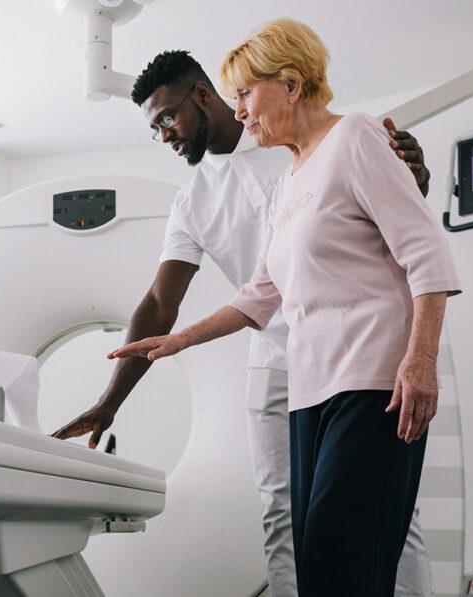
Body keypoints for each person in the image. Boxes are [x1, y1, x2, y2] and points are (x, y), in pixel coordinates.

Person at [52, 48, 435, 596]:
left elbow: (400, 222)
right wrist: (110, 402)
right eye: (154, 127)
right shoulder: (194, 201)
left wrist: (415, 176)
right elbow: (160, 303)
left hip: (356, 344)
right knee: (283, 513)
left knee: (388, 510)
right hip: (275, 358)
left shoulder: (307, 141)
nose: (164, 135)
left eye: (167, 118)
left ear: (203, 94)